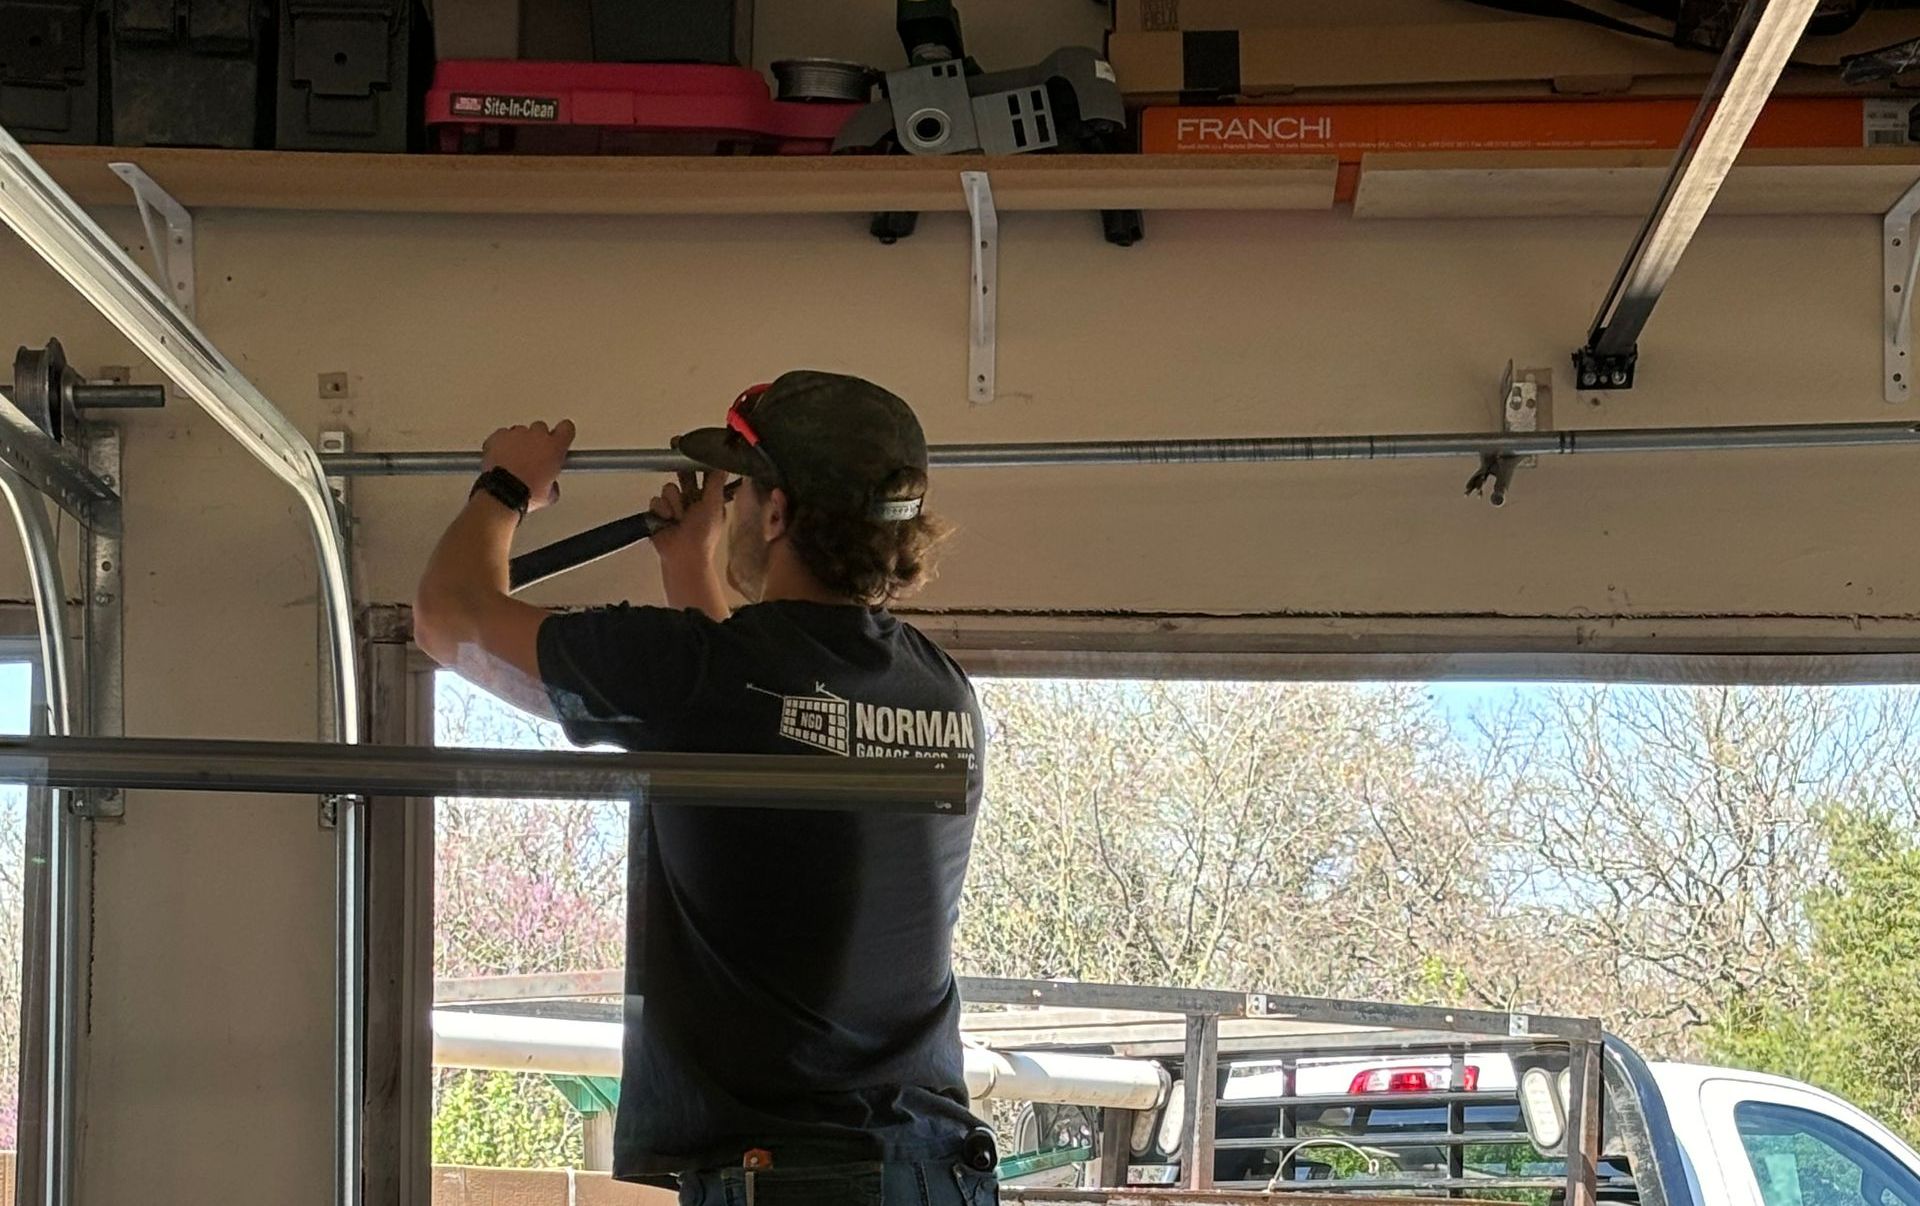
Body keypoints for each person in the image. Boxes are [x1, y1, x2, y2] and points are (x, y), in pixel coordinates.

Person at [413, 370, 994, 1206]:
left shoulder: (701, 672)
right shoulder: (941, 690)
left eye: (747, 488)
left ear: (779, 511)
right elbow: (769, 716)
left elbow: (447, 618)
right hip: (936, 1172)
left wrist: (508, 484)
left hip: (796, 1183)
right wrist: (693, 567)